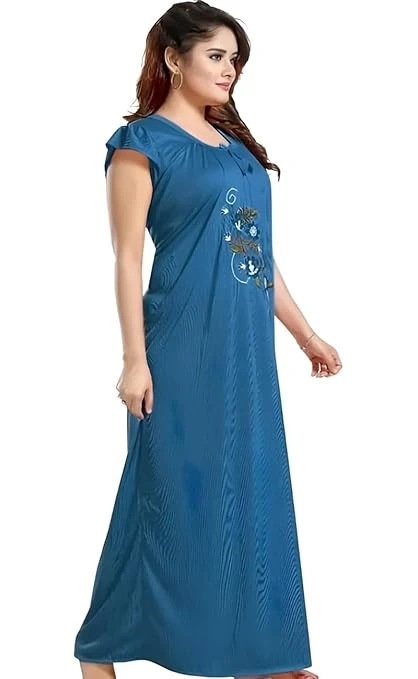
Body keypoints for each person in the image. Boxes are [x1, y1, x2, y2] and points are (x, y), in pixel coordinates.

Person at [73, 1, 343, 678]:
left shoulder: (236, 148)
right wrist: (134, 361)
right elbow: (127, 258)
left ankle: (266, 654)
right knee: (169, 497)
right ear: (174, 58)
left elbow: (255, 253)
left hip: (245, 351)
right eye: (216, 56)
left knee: (249, 491)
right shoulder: (140, 144)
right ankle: (99, 647)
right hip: (180, 347)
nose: (230, 70)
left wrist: (306, 334)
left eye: (236, 60)